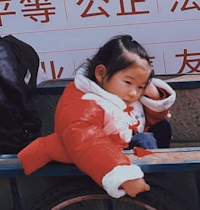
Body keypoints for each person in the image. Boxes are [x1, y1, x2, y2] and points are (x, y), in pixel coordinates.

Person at [18, 35, 176, 198]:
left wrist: (154, 96)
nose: (134, 92)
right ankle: (150, 187)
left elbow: (141, 120)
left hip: (117, 144)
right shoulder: (84, 102)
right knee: (145, 140)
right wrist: (123, 175)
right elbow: (87, 140)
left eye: (140, 86)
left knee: (161, 127)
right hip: (93, 156)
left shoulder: (116, 91)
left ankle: (152, 182)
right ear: (101, 73)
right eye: (128, 82)